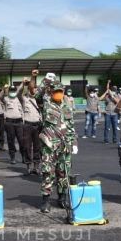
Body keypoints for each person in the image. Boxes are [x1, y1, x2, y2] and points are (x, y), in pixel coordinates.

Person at [38, 81, 78, 213]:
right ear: (50, 92)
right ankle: (46, 200)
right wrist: (43, 82)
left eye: (60, 91)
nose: (58, 94)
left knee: (64, 172)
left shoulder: (67, 107)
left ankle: (62, 198)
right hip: (49, 145)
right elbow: (37, 95)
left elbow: (71, 127)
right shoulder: (46, 105)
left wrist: (74, 143)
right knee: (47, 172)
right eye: (56, 91)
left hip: (64, 145)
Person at [21, 70, 43, 175]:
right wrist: (32, 77)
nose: (33, 89)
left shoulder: (40, 99)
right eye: (31, 88)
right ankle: (28, 166)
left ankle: (36, 166)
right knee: (27, 146)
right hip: (27, 125)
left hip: (37, 125)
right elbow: (21, 91)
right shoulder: (24, 99)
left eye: (35, 88)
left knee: (38, 147)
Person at [2, 83, 24, 164]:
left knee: (21, 140)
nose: (12, 92)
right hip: (9, 122)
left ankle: (23, 156)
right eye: (11, 90)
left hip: (19, 122)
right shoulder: (6, 98)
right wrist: (4, 89)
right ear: (9, 91)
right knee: (11, 140)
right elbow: (1, 97)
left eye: (14, 90)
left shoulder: (19, 98)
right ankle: (12, 157)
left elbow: (20, 91)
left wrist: (22, 83)